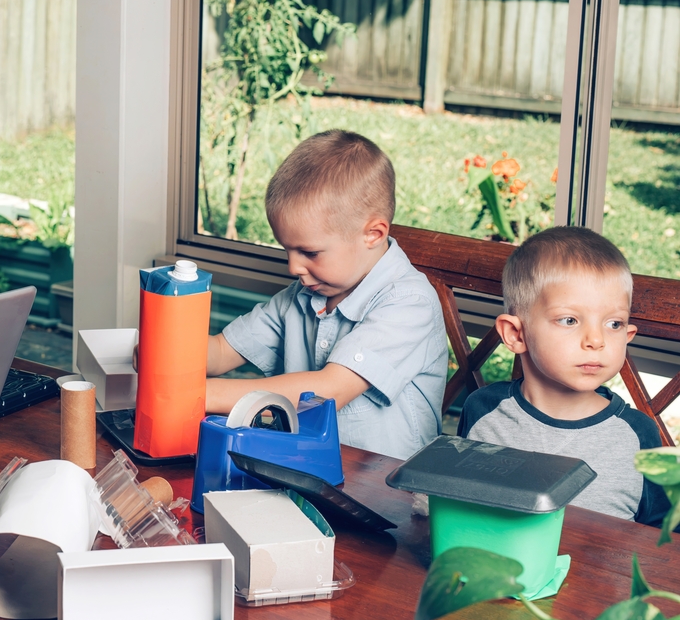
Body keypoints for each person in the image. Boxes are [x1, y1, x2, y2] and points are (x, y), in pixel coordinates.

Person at [205, 130, 448, 459]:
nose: (293, 266)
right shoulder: (302, 295)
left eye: (309, 252)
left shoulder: (409, 303)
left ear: (372, 234)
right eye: (287, 250)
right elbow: (221, 351)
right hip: (302, 467)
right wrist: (163, 354)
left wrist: (200, 394)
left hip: (386, 486)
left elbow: (328, 390)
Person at [458, 226, 667, 525]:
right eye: (569, 320)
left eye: (614, 324)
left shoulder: (637, 434)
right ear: (516, 334)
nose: (596, 340)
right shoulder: (483, 410)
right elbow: (459, 502)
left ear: (628, 335)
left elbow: (661, 538)